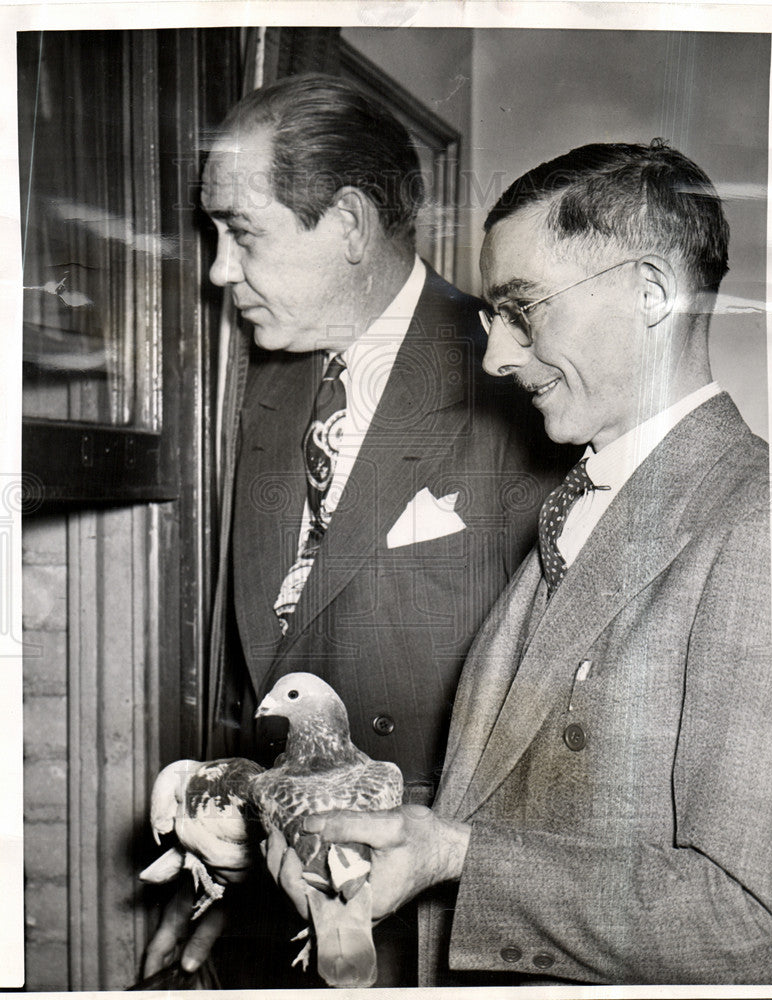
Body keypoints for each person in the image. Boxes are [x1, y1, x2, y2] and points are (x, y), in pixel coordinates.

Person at [271, 140, 772, 986]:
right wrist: (382, 838)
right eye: (489, 318)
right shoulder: (580, 495)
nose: (498, 357)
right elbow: (519, 800)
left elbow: (753, 924)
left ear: (649, 293)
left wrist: (457, 854)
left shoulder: (759, 521)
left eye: (523, 310)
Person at [142, 74, 566, 986]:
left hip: (432, 941)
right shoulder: (263, 378)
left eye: (241, 233)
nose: (217, 270)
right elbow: (260, 665)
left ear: (346, 223)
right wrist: (228, 875)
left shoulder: (523, 384)